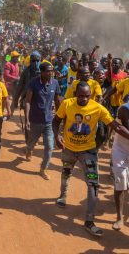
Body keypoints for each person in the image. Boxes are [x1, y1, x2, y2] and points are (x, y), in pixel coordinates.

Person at [52, 81, 129, 237]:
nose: (84, 99)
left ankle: (89, 221)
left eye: (87, 96)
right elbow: (56, 121)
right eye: (81, 96)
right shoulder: (67, 104)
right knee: (66, 173)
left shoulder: (97, 107)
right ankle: (63, 195)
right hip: (69, 150)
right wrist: (57, 135)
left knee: (93, 184)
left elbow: (115, 126)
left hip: (88, 152)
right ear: (75, 95)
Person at [25, 62, 61, 180]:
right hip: (35, 120)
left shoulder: (55, 83)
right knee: (31, 142)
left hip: (49, 122)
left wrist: (60, 117)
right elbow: (28, 101)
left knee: (49, 146)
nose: (50, 73)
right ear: (41, 72)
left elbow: (57, 101)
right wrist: (27, 119)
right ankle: (29, 150)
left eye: (51, 71)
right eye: (47, 71)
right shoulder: (33, 83)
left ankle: (43, 169)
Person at [11, 51, 41, 142]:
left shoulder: (44, 72)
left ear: (40, 60)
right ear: (30, 61)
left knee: (37, 123)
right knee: (28, 121)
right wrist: (15, 100)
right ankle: (28, 142)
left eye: (37, 61)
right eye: (33, 61)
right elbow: (20, 87)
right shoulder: (26, 72)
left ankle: (33, 139)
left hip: (40, 101)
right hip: (26, 100)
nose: (35, 63)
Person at [112, 95, 129, 231]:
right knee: (120, 181)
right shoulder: (124, 109)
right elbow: (121, 129)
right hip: (121, 150)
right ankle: (119, 217)